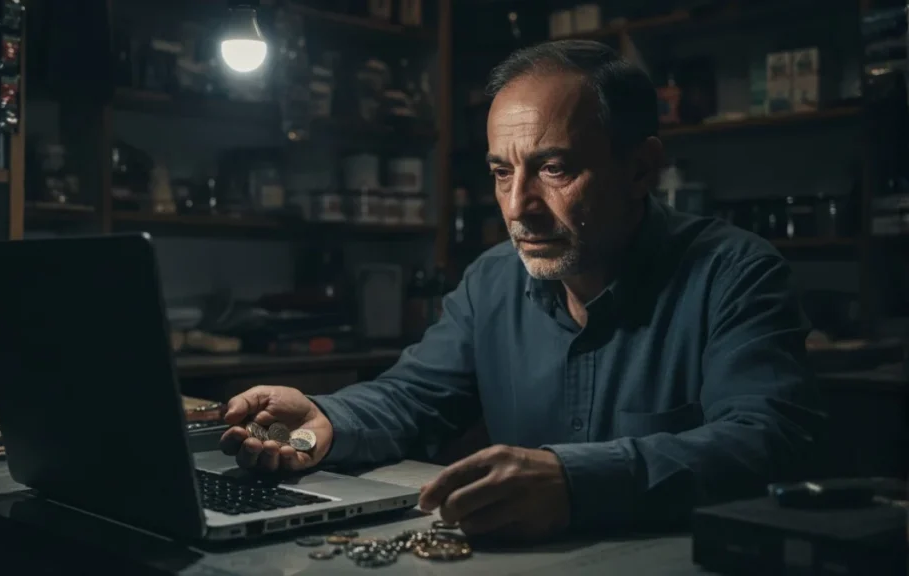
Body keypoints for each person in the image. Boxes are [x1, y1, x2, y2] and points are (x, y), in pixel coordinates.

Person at [219, 40, 824, 541]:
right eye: (501, 173)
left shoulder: (734, 273)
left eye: (554, 169)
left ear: (641, 169)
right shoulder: (493, 278)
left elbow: (765, 441)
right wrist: (326, 416)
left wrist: (575, 481)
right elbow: (412, 397)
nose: (517, 208)